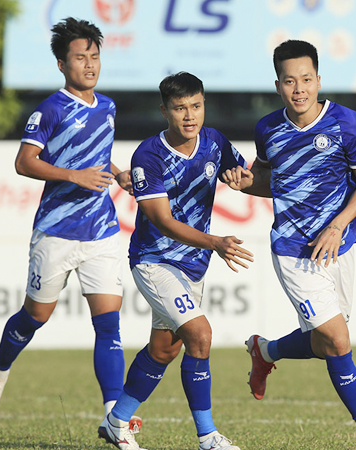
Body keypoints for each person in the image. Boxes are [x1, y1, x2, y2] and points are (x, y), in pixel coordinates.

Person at [223, 40, 356, 450]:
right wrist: (244, 184)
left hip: (340, 244)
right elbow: (267, 181)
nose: (298, 89)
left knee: (325, 343)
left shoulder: (346, 122)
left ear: (319, 80)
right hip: (293, 250)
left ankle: (265, 352)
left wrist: (337, 226)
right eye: (289, 81)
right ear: (277, 85)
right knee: (337, 341)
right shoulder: (268, 129)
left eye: (306, 79)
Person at [0, 17, 137, 429]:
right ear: (62, 65)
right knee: (35, 317)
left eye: (95, 56)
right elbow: (24, 162)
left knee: (109, 325)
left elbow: (98, 155)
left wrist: (116, 173)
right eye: (80, 58)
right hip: (56, 231)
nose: (90, 64)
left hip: (101, 229)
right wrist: (73, 176)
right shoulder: (49, 109)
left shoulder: (108, 107)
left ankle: (113, 417)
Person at [97, 72, 253, 450]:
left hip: (193, 266)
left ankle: (116, 422)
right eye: (180, 108)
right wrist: (216, 241)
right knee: (199, 335)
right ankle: (208, 437)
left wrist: (240, 177)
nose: (190, 116)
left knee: (165, 349)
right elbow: (163, 221)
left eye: (196, 106)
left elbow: (246, 173)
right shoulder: (147, 156)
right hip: (154, 261)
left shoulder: (215, 141)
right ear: (164, 110)